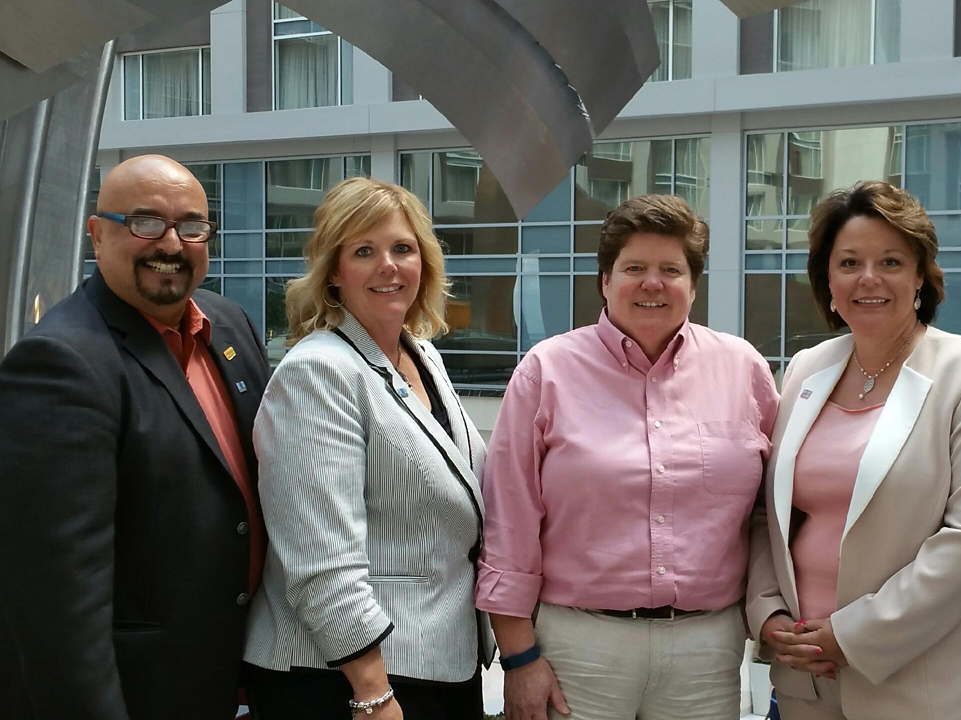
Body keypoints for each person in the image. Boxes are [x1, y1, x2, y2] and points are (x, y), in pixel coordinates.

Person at [478, 194, 779, 720]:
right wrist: (519, 656)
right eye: (634, 268)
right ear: (604, 280)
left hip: (705, 650)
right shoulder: (546, 371)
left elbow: (772, 510)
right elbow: (511, 522)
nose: (652, 283)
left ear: (693, 284)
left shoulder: (744, 370)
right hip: (579, 646)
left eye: (671, 269)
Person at [0, 154, 271, 719]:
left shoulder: (231, 324)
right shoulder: (62, 363)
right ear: (98, 235)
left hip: (245, 678)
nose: (170, 244)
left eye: (191, 225)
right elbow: (57, 604)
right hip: (145, 693)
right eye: (145, 222)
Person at [746, 181, 961, 720]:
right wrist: (768, 614)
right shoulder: (807, 368)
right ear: (827, 279)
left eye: (891, 261)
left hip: (922, 685)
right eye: (849, 262)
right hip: (805, 677)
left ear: (920, 275)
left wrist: (851, 637)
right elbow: (768, 513)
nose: (868, 278)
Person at [242, 177, 490, 719]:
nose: (388, 265)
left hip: (437, 662)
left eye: (403, 248)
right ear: (333, 272)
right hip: (344, 680)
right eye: (363, 251)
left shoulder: (422, 354)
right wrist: (373, 694)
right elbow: (319, 560)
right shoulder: (317, 371)